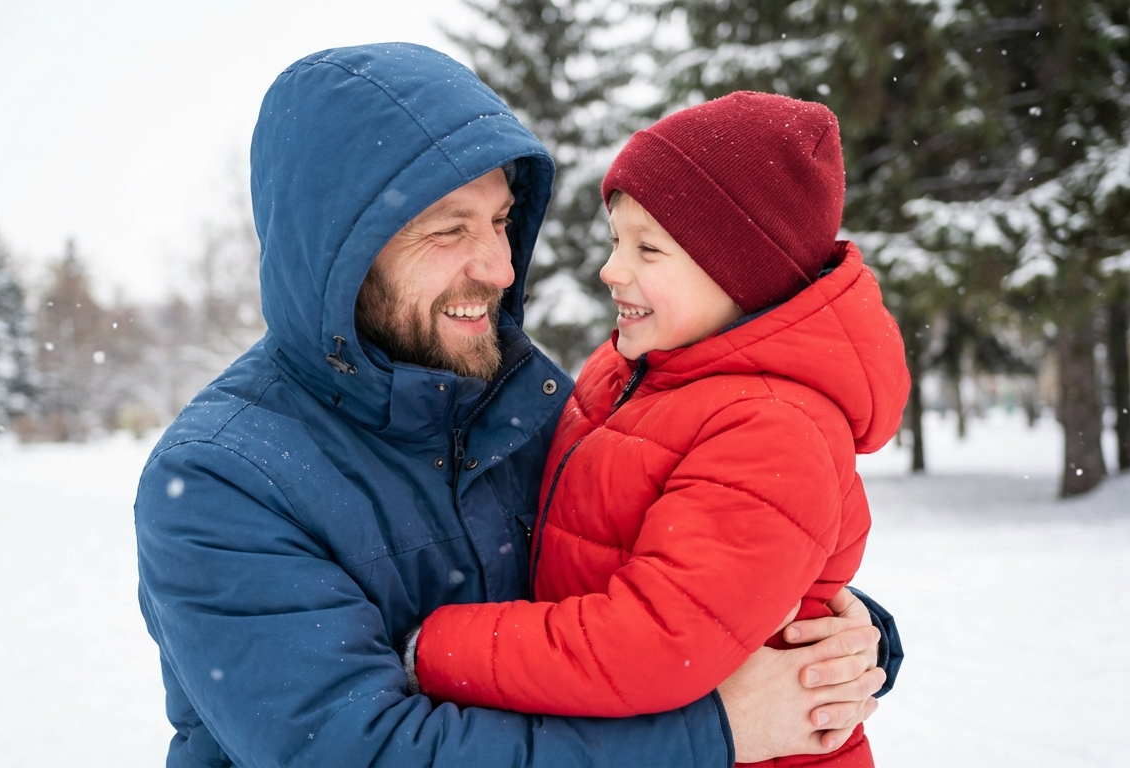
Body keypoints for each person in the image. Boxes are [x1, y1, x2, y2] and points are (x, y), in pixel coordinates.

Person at [134, 44, 902, 768]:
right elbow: (368, 752)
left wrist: (836, 633)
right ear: (340, 254)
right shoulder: (220, 483)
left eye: (502, 221)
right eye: (449, 230)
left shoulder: (522, 402)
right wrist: (713, 734)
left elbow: (665, 573)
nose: (501, 268)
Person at [407, 93, 908, 767]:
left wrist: (439, 648)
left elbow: (652, 641)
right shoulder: (629, 376)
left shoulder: (772, 428)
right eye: (617, 241)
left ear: (743, 275)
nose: (612, 270)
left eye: (648, 247)